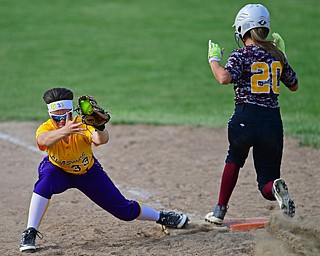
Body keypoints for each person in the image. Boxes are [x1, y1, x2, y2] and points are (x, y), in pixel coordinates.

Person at [19, 87, 189, 253]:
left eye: (66, 115)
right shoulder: (46, 128)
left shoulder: (83, 124)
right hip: (58, 170)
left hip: (88, 173)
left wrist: (100, 128)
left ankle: (162, 217)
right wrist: (65, 131)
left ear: (73, 111)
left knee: (124, 211)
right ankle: (29, 232)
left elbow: (101, 140)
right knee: (45, 182)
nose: (62, 120)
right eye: (57, 118)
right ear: (51, 116)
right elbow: (44, 140)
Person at [204, 4, 298, 225]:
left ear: (242, 29)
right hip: (272, 123)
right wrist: (282, 56)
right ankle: (275, 188)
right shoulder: (277, 56)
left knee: (234, 158)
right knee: (267, 181)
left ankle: (219, 212)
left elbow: (223, 78)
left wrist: (213, 60)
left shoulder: (241, 54)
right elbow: (294, 85)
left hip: (245, 118)